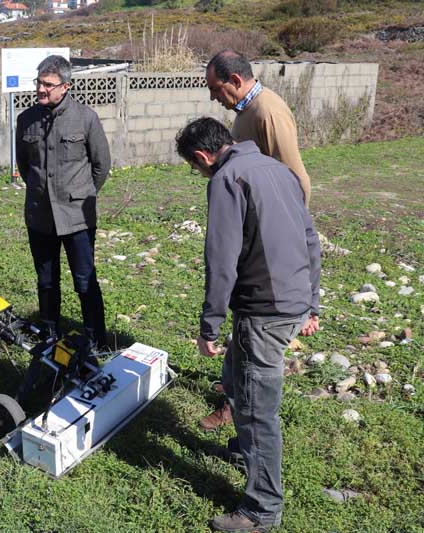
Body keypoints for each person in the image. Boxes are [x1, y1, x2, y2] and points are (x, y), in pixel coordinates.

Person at [175, 117, 321, 532]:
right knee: (237, 379)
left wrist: (209, 326)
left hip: (263, 311)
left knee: (259, 412)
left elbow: (221, 262)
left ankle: (261, 510)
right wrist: (312, 304)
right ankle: (243, 453)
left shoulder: (227, 179)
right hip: (292, 301)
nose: (199, 173)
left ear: (204, 156)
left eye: (195, 167)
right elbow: (311, 239)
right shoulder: (279, 169)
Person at [200, 49, 314, 432]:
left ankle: (239, 404)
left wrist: (292, 237)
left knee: (255, 327)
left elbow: (294, 179)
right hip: (252, 229)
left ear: (235, 81)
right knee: (244, 322)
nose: (214, 97)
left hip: (270, 242)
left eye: (216, 89)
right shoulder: (245, 112)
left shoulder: (267, 111)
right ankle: (233, 390)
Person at [15, 54, 111, 348]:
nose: (41, 89)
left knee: (84, 281)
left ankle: (96, 339)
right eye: (38, 82)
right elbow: (24, 163)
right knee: (46, 281)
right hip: (40, 217)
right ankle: (50, 334)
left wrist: (79, 194)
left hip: (77, 217)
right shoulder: (26, 119)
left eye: (48, 84)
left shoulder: (85, 118)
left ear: (65, 86)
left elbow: (101, 165)